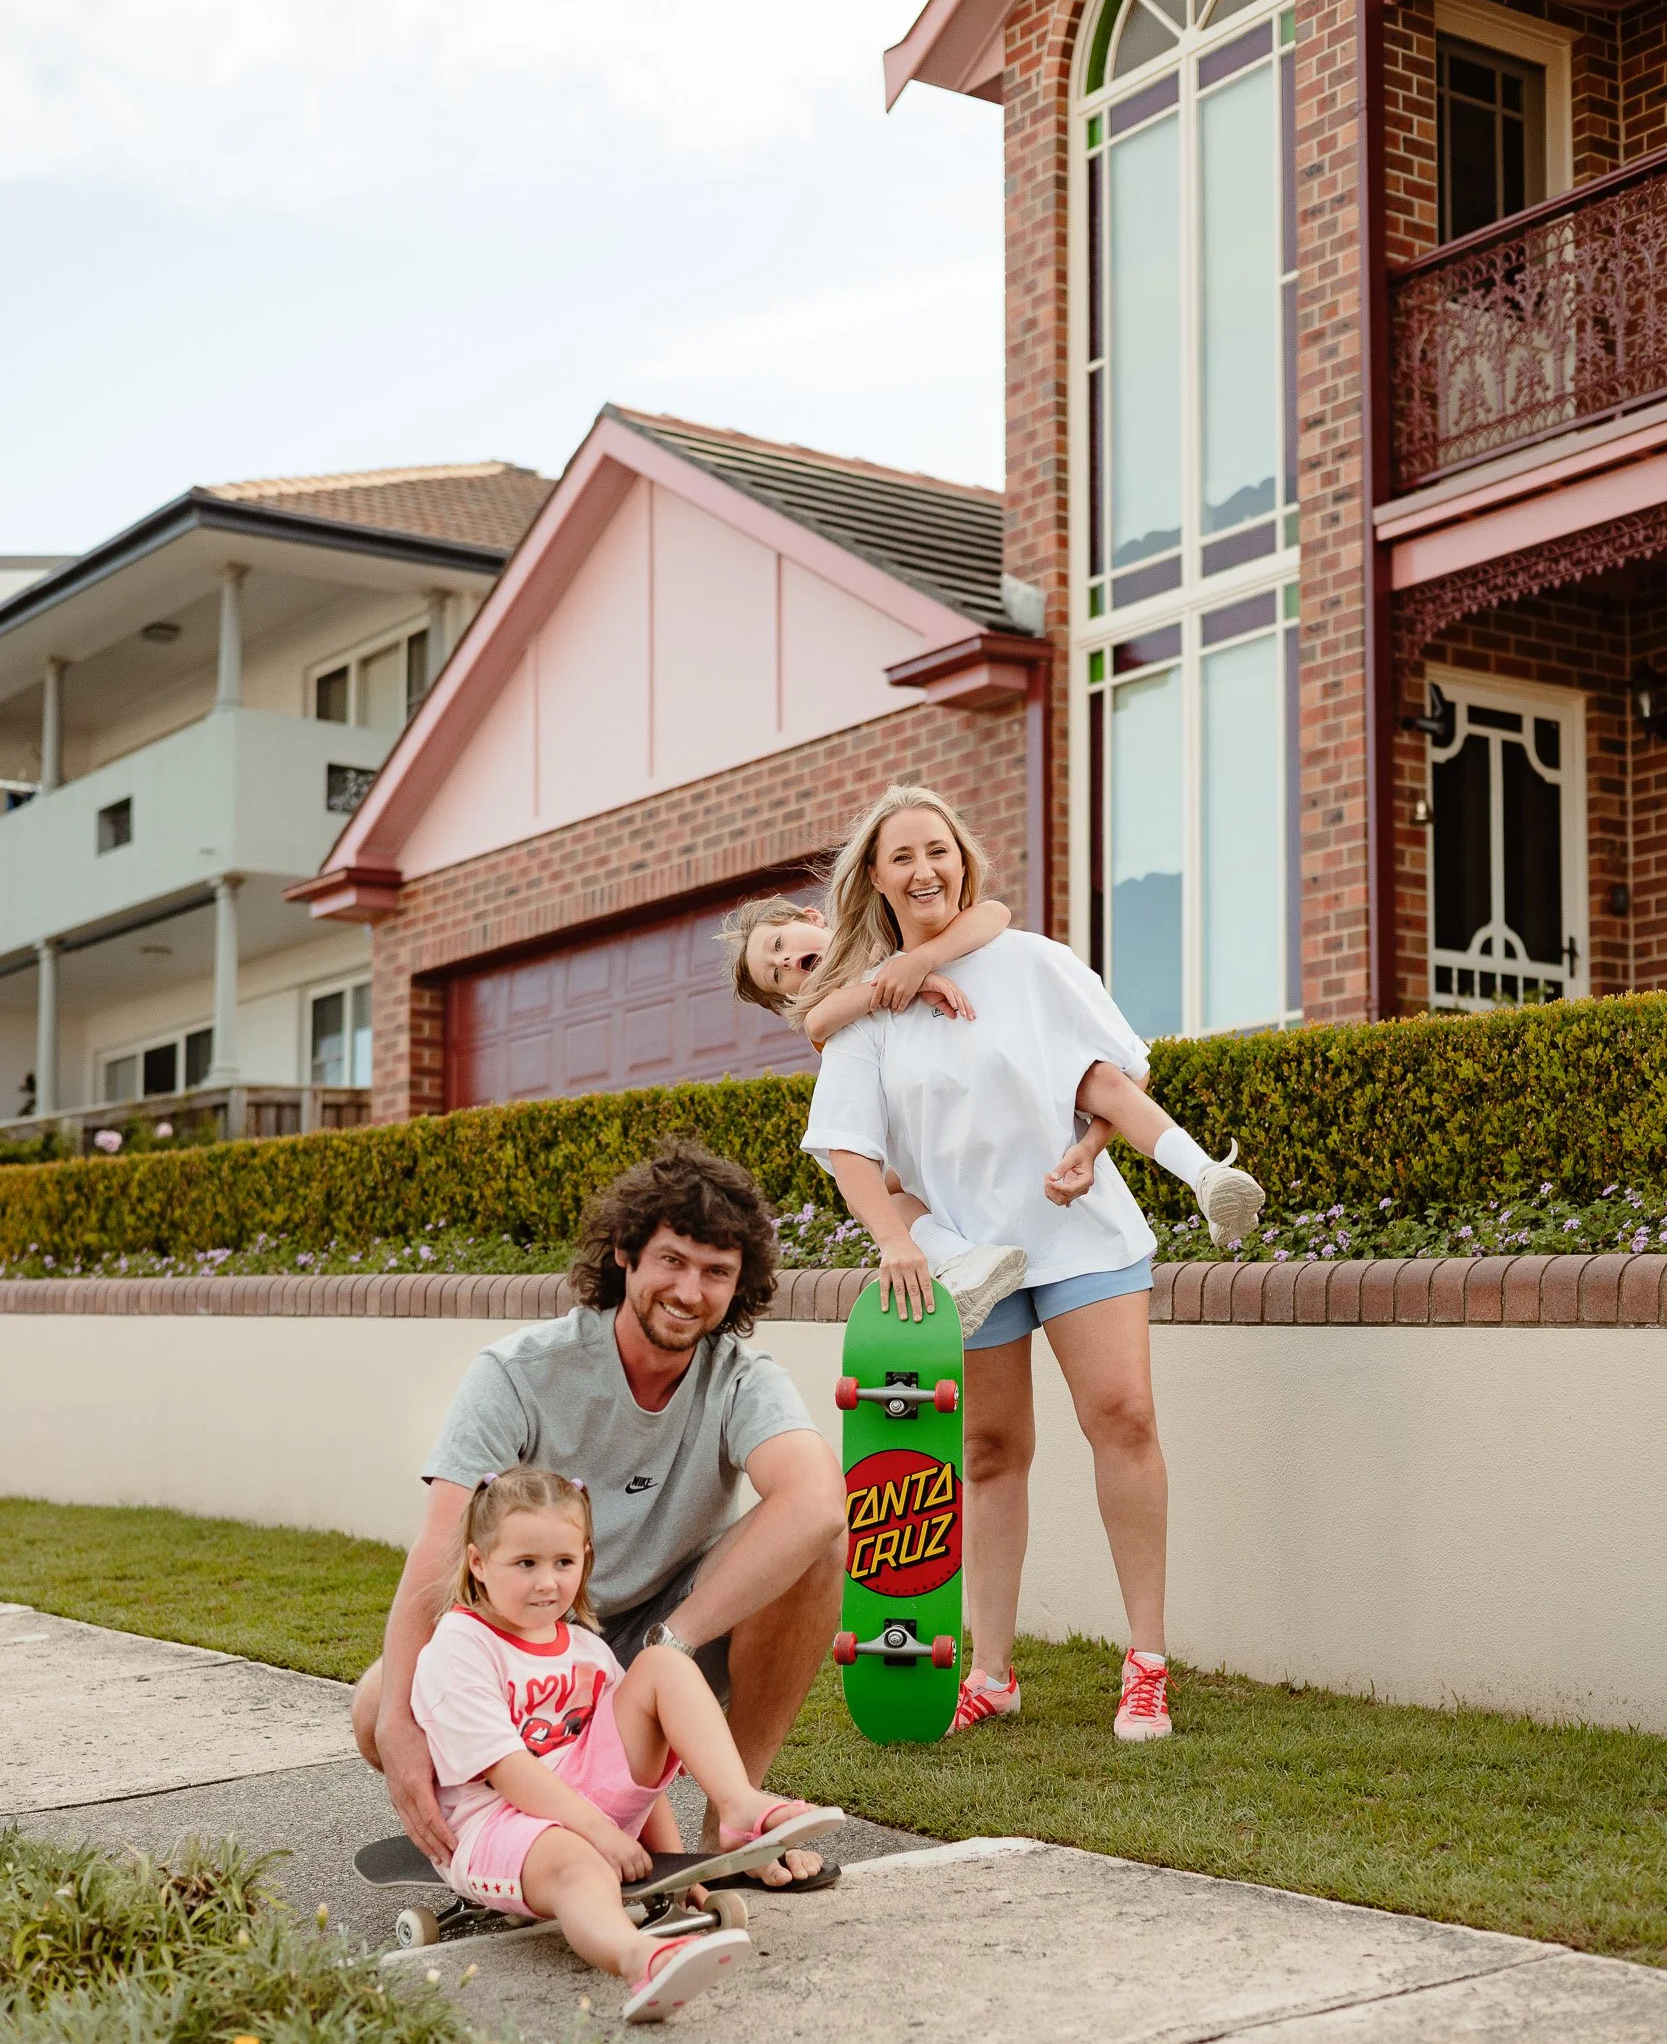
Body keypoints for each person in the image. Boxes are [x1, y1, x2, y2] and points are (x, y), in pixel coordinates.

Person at [800, 783, 1262, 1744]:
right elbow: (848, 1148)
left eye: (939, 849)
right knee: (991, 1453)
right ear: (875, 881)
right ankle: (993, 1672)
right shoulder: (870, 1009)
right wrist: (895, 1241)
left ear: (964, 858)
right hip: (975, 1261)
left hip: (1081, 1230)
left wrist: (1089, 1151)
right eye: (901, 858)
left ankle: (1145, 1664)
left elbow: (1111, 1080)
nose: (924, 869)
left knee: (1123, 1418)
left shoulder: (1040, 963)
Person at [353, 1143, 847, 1890]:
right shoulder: (516, 1373)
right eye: (673, 1262)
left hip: (667, 1635)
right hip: (528, 1634)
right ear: (624, 1255)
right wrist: (398, 1727)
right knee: (373, 1704)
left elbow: (813, 1499)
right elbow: (438, 1555)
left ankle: (732, 1819)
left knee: (816, 1543)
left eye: (717, 1273)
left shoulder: (740, 1379)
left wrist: (665, 1646)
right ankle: (520, 1825)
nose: (690, 1291)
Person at [411, 1466, 842, 2023]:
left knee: (661, 1661)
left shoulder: (585, 1649)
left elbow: (643, 1778)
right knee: (577, 1863)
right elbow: (510, 1772)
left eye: (564, 1563)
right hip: (502, 1823)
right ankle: (640, 1958)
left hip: (588, 1805)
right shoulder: (461, 1646)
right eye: (526, 1564)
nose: (547, 1582)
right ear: (478, 1563)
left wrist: (678, 1870)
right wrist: (600, 1833)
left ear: (585, 1559)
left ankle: (738, 1805)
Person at [723, 889, 1261, 1256]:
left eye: (779, 945)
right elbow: (818, 1019)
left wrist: (918, 961)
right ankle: (958, 1261)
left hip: (993, 1072)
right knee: (890, 1189)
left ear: (809, 919)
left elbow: (994, 915)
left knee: (1102, 1081)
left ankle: (1206, 1175)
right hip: (927, 1132)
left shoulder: (886, 932)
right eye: (777, 977)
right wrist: (902, 986)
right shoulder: (836, 1014)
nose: (788, 964)